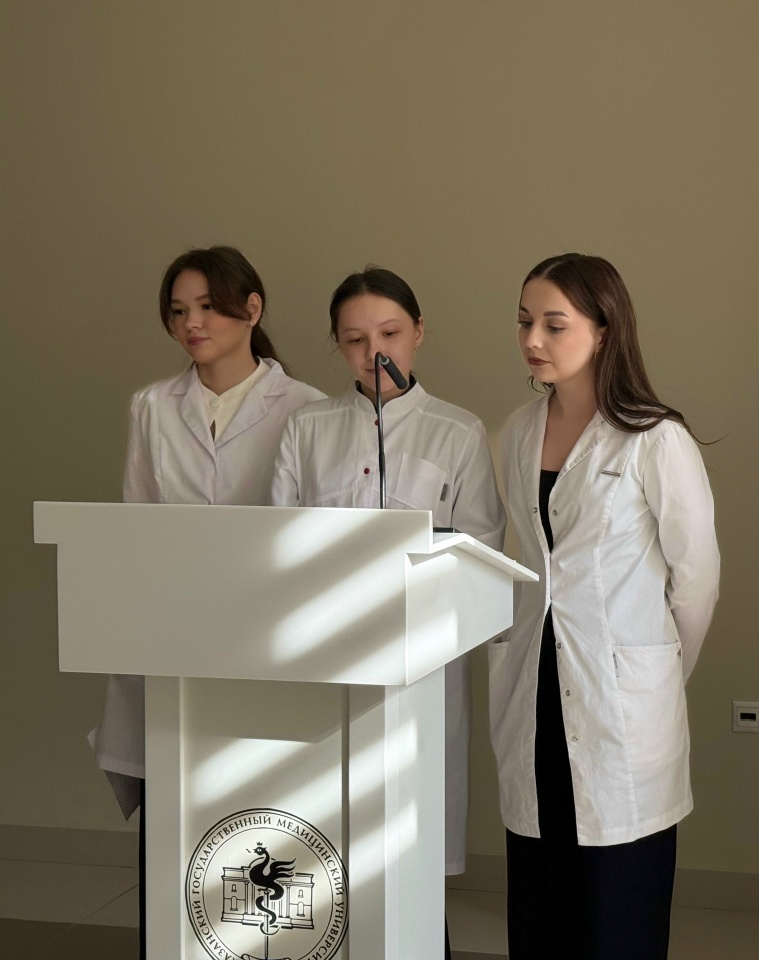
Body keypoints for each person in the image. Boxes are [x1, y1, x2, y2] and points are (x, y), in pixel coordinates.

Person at [92, 246, 324, 953]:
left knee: (259, 832)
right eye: (178, 311)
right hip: (176, 638)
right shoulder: (151, 407)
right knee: (177, 826)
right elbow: (137, 524)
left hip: (263, 641)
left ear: (251, 309)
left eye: (206, 307)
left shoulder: (307, 409)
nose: (191, 323)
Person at [492, 253, 720, 960]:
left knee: (618, 916)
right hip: (534, 692)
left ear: (604, 330)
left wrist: (653, 669)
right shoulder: (516, 432)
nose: (533, 339)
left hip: (622, 706)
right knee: (542, 906)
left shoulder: (656, 438)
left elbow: (697, 581)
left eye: (554, 324)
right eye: (525, 322)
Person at [272, 266, 504, 958]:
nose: (374, 353)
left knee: (411, 856)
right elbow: (275, 545)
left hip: (418, 669)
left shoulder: (457, 432)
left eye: (390, 334)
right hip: (327, 667)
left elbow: (481, 553)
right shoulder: (307, 428)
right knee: (322, 855)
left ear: (419, 332)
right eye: (354, 339)